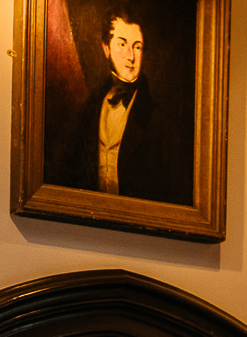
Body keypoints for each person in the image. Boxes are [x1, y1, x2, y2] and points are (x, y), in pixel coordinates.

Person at [50, 6, 190, 205]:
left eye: (137, 46)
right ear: (106, 48)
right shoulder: (88, 112)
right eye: (122, 44)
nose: (131, 56)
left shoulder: (161, 124)